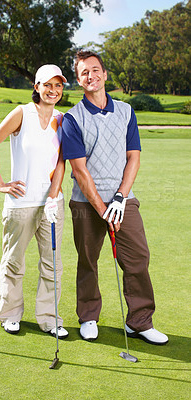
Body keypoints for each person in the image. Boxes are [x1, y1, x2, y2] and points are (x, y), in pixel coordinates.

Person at [62, 50, 168, 345]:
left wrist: (120, 198)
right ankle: (88, 317)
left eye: (95, 70)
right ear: (79, 80)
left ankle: (139, 321)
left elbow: (133, 157)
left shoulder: (126, 111)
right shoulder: (72, 119)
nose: (91, 76)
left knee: (138, 259)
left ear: (105, 74)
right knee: (88, 260)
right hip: (86, 202)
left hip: (123, 200)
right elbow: (80, 171)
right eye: (84, 73)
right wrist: (102, 208)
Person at [0, 64, 68, 339]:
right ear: (36, 87)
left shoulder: (62, 118)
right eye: (48, 85)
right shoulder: (21, 113)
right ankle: (10, 315)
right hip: (20, 204)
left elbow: (62, 161)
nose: (53, 90)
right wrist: (0, 183)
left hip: (52, 205)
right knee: (14, 262)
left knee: (52, 263)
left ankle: (49, 319)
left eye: (58, 85)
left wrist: (54, 194)